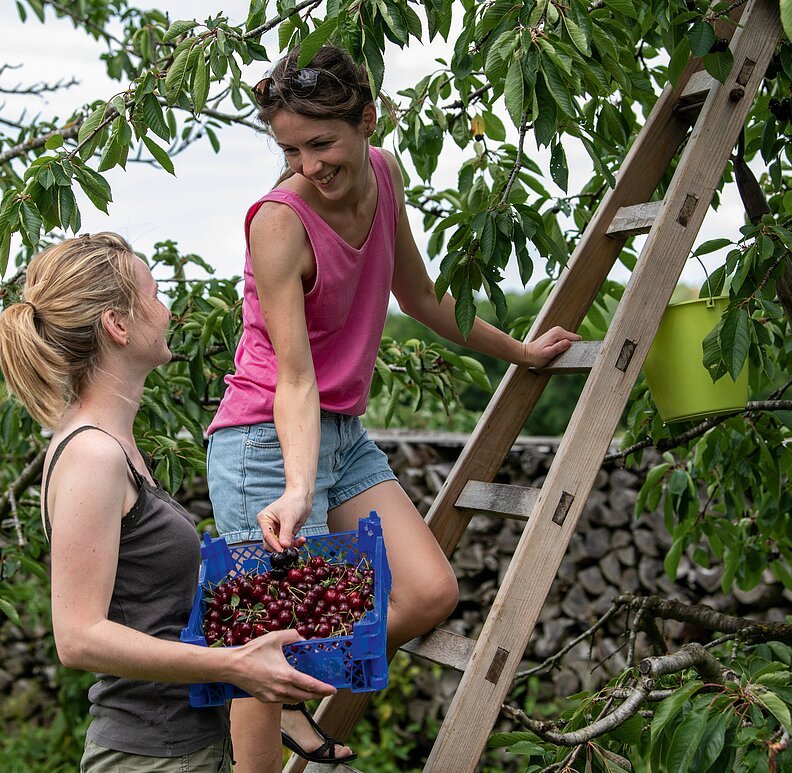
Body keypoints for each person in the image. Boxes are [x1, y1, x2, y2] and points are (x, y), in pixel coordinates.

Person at [205, 46, 581, 770]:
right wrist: (297, 486)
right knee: (271, 643)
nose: (308, 165)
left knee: (428, 589)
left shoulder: (383, 173)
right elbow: (294, 380)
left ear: (368, 121)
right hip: (266, 439)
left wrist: (522, 351)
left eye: (321, 143)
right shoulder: (279, 223)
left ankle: (283, 693)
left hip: (340, 433)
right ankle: (271, 691)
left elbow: (420, 295)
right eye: (290, 149)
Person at [0, 232, 335, 772]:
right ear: (118, 325)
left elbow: (146, 608)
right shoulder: (92, 455)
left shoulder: (113, 446)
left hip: (178, 747)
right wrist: (232, 664)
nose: (167, 309)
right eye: (154, 294)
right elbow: (79, 638)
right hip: (152, 754)